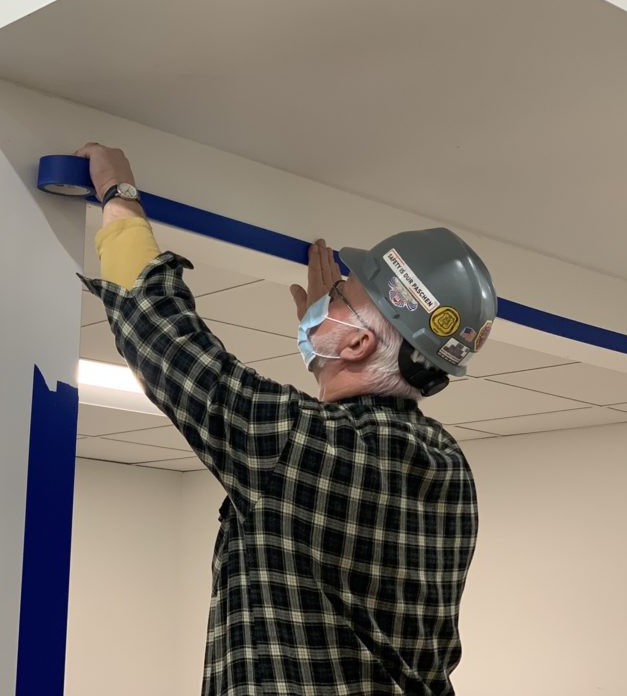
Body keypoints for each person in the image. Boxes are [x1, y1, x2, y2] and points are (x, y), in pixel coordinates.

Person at [76, 142, 498, 695]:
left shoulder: (301, 451)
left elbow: (160, 334)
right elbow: (331, 469)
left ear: (359, 343)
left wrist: (118, 195)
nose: (324, 300)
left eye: (339, 296)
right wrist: (336, 340)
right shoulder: (448, 465)